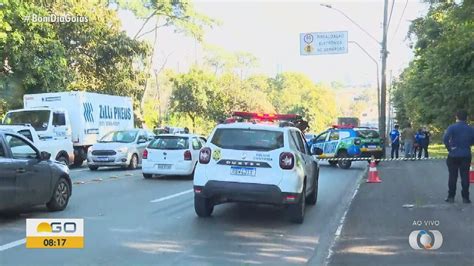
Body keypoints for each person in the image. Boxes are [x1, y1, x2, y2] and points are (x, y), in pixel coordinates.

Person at [443, 110, 474, 204]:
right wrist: (468, 144)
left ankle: (451, 196)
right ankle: (466, 198)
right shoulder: (470, 129)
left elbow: (445, 138)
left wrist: (449, 148)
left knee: (452, 176)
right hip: (465, 154)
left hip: (453, 154)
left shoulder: (452, 127)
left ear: (456, 117)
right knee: (465, 176)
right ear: (466, 118)